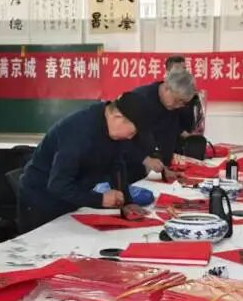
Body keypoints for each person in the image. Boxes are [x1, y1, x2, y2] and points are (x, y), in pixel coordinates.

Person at [17, 91, 150, 233]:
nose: (130, 138)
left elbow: (117, 163)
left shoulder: (112, 128)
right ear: (117, 117)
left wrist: (126, 202)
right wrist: (100, 200)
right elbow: (58, 185)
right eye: (132, 133)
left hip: (71, 196)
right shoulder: (79, 135)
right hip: (41, 200)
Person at [131, 58, 198, 178]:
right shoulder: (140, 99)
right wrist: (144, 159)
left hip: (155, 171)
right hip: (130, 168)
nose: (178, 106)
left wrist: (164, 169)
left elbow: (168, 137)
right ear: (166, 87)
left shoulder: (173, 106)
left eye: (182, 103)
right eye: (177, 100)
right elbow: (120, 139)